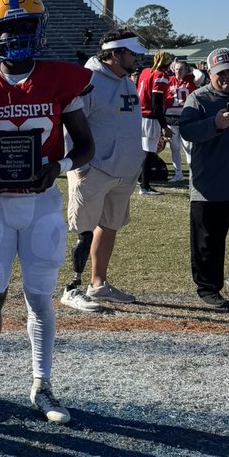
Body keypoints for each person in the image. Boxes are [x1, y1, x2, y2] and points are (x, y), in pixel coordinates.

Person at [0, 0, 94, 424]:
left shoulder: (61, 80)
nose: (15, 36)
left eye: (23, 26)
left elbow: (86, 146)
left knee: (40, 299)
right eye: (7, 28)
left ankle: (42, 384)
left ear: (40, 29)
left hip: (42, 202)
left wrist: (60, 166)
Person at [60, 30, 146, 312]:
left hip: (122, 170)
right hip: (93, 168)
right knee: (83, 231)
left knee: (109, 226)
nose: (138, 58)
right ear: (115, 53)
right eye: (133, 53)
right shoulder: (88, 81)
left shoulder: (126, 80)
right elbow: (69, 125)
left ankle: (98, 284)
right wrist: (79, 165)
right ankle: (71, 287)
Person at [179, 48, 229, 309]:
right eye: (218, 73)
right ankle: (208, 289)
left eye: (228, 71)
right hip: (210, 188)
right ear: (209, 73)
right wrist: (214, 124)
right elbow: (188, 131)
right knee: (208, 244)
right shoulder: (198, 98)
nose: (224, 77)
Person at [136, 52, 172, 194]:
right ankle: (145, 186)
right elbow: (156, 104)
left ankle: (140, 179)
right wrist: (164, 126)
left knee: (144, 151)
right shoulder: (160, 76)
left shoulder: (145, 71)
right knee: (149, 152)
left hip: (140, 116)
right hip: (150, 117)